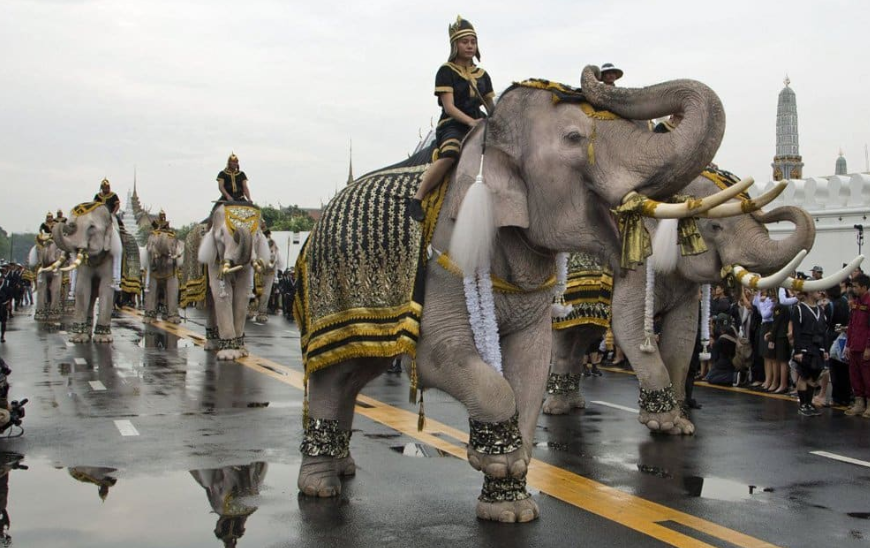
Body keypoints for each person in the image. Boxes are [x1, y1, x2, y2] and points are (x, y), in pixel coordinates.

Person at [408, 16, 494, 222]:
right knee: (450, 154)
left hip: (480, 123)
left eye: (473, 42)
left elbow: (491, 107)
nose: (470, 46)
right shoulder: (446, 71)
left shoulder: (482, 74)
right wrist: (470, 122)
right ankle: (417, 198)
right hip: (453, 124)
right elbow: (449, 106)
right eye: (465, 42)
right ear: (455, 45)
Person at [791, 290, 830, 416]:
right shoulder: (800, 309)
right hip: (805, 346)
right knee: (804, 375)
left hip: (817, 347)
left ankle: (809, 403)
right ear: (808, 292)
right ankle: (803, 404)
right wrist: (798, 350)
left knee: (814, 376)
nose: (819, 292)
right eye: (816, 290)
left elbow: (823, 331)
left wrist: (825, 349)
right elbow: (796, 331)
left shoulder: (820, 309)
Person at [844, 273, 870, 417]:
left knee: (868, 378)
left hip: (865, 348)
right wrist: (848, 345)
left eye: (855, 286)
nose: (853, 289)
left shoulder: (869, 302)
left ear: (864, 287)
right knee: (855, 377)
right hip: (854, 346)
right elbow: (851, 325)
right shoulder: (855, 303)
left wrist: (868, 347)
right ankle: (859, 404)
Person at [94, 178, 123, 290]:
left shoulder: (113, 195)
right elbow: (94, 206)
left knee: (118, 227)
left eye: (107, 187)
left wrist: (113, 214)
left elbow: (117, 205)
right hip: (99, 217)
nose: (106, 189)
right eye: (104, 188)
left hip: (110, 217)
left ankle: (117, 280)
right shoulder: (98, 196)